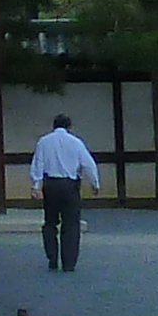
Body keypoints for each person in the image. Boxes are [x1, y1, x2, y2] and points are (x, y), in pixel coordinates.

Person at [30, 113, 99, 271]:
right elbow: (88, 164)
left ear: (54, 126)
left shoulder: (44, 142)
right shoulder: (76, 142)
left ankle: (52, 258)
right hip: (70, 185)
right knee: (71, 225)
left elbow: (38, 164)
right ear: (69, 127)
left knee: (50, 223)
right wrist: (95, 183)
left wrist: (36, 185)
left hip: (51, 185)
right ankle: (69, 263)